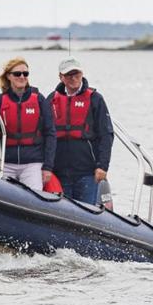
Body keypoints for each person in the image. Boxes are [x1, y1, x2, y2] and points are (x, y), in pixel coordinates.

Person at [48, 57, 114, 205]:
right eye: (69, 75)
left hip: (87, 172)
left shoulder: (95, 99)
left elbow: (106, 135)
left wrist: (102, 166)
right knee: (62, 213)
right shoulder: (51, 99)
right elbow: (43, 134)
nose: (73, 78)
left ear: (82, 74)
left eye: (76, 74)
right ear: (61, 77)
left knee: (86, 212)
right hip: (59, 172)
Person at [0, 57, 56, 192]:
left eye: (25, 74)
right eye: (17, 74)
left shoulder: (39, 100)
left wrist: (48, 167)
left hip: (32, 164)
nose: (22, 77)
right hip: (6, 163)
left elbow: (50, 133)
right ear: (9, 76)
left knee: (34, 198)